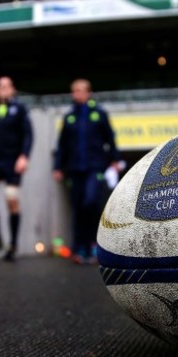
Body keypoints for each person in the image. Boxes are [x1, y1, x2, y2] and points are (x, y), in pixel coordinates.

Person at [53, 78, 123, 265]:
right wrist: (58, 166)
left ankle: (94, 244)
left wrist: (116, 159)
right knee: (78, 208)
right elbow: (62, 145)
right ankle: (79, 248)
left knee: (91, 202)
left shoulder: (99, 114)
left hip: (95, 167)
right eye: (74, 91)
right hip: (75, 169)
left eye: (81, 90)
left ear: (88, 92)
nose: (78, 94)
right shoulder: (69, 118)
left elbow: (110, 138)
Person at [0, 76, 34, 262]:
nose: (2, 89)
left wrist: (24, 156)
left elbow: (28, 135)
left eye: (6, 86)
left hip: (13, 162)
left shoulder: (19, 109)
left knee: (11, 199)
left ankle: (13, 244)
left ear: (13, 90)